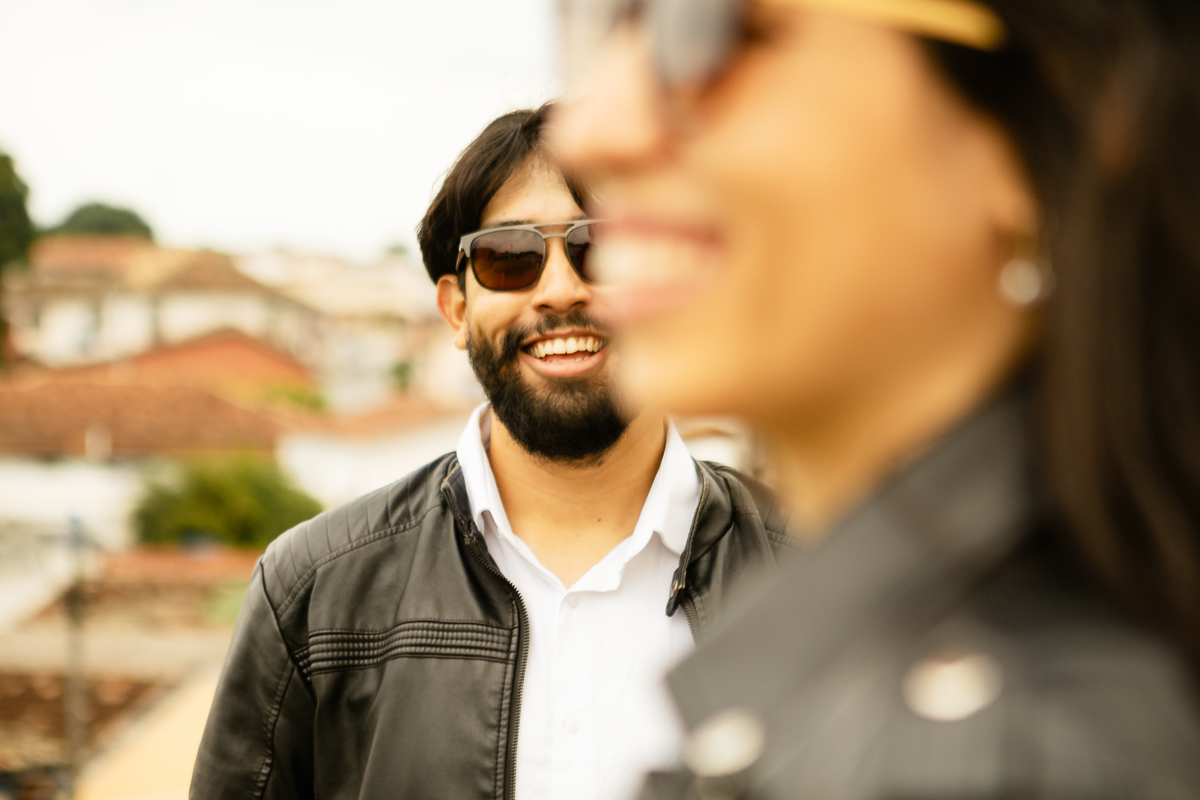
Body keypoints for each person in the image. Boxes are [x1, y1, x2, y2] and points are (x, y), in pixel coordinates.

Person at [551, 0, 1200, 796]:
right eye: (607, 29)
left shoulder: (1003, 759)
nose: (589, 132)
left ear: (1044, 116)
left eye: (705, 26)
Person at [189, 105, 790, 800]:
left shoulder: (817, 568)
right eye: (510, 258)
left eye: (603, 249)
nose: (561, 289)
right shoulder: (312, 594)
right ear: (454, 310)